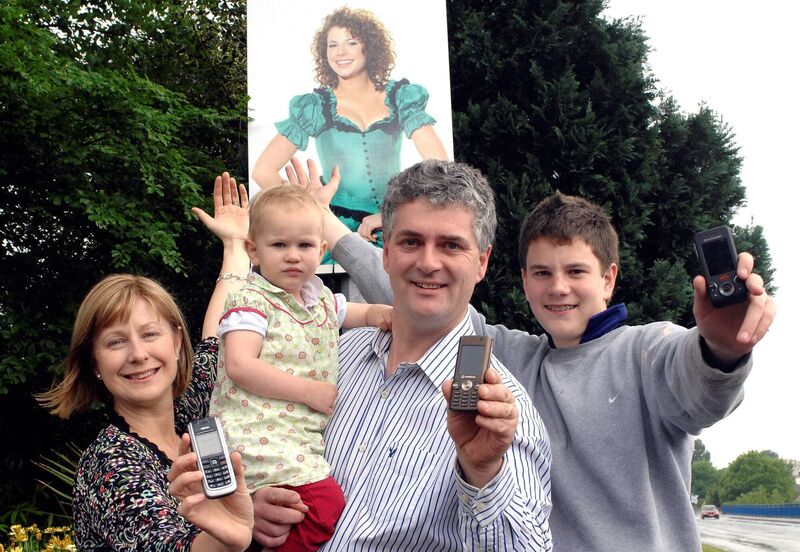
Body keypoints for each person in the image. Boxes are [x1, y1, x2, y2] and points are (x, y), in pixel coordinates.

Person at [310, 175, 776, 550]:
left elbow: (701, 393)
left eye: (576, 271)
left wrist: (723, 349)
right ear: (522, 280)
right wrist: (328, 226)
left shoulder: (648, 350)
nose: (558, 287)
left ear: (609, 278)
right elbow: (425, 296)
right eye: (542, 272)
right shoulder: (506, 356)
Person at [252, 160, 553, 550]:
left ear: (481, 262)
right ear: (387, 253)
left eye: (451, 245)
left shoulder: (498, 415)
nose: (428, 263)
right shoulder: (335, 355)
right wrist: (257, 501)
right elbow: (272, 436)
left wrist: (483, 474)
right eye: (411, 241)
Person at [37, 173, 256, 551]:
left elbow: (222, 333)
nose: (138, 354)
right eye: (116, 342)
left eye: (150, 334)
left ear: (175, 341)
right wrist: (228, 538)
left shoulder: (190, 409)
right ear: (94, 363)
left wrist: (235, 245)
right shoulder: (110, 464)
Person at [211, 185, 391, 551]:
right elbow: (239, 364)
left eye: (304, 246)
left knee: (297, 510)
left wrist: (381, 314)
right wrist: (307, 391)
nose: (293, 256)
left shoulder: (319, 297)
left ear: (322, 250)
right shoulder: (251, 300)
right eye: (279, 246)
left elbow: (352, 312)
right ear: (253, 251)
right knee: (324, 502)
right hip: (256, 433)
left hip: (295, 436)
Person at [252, 6, 447, 247]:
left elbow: (440, 168)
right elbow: (263, 171)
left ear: (370, 47)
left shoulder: (400, 98)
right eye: (332, 45)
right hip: (336, 230)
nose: (340, 52)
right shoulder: (316, 106)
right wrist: (308, 211)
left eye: (351, 42)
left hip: (393, 226)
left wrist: (395, 214)